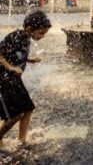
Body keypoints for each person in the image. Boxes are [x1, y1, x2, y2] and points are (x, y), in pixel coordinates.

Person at [0, 10, 51, 147]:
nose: (42, 36)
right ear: (29, 29)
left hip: (14, 80)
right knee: (16, 114)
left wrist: (29, 60)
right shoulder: (15, 36)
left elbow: (15, 54)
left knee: (28, 108)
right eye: (41, 33)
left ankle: (21, 140)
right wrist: (10, 67)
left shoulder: (26, 38)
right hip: (3, 80)